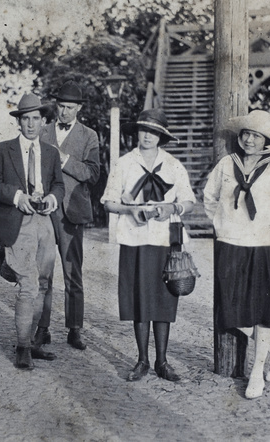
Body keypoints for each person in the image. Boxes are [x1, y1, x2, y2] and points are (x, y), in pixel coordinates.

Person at [203, 110, 270, 399]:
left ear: (266, 141)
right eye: (246, 134)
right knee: (229, 309)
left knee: (263, 310)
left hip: (265, 245)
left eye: (256, 136)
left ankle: (256, 372)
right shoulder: (227, 163)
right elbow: (209, 197)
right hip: (231, 243)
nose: (250, 140)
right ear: (239, 137)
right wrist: (222, 227)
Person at [101, 108, 195, 382]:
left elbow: (188, 200)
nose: (147, 136)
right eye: (143, 130)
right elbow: (108, 202)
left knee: (164, 298)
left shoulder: (174, 165)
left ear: (161, 136)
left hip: (165, 239)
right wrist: (130, 210)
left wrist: (172, 207)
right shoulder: (124, 164)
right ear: (137, 133)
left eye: (153, 132)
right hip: (135, 238)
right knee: (139, 298)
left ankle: (162, 361)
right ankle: (141, 360)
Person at [0, 93, 65, 370]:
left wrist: (52, 199)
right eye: (25, 119)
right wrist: (18, 197)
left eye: (35, 119)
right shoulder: (1, 150)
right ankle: (22, 347)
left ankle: (34, 342)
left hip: (45, 222)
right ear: (18, 122)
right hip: (18, 221)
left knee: (43, 283)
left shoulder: (51, 153)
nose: (30, 124)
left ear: (43, 121)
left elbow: (59, 185)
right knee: (28, 285)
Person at [34, 81, 100, 351]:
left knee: (73, 273)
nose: (63, 112)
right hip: (46, 212)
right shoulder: (42, 131)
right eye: (60, 106)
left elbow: (93, 174)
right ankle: (42, 328)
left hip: (72, 212)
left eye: (69, 108)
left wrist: (63, 160)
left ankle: (75, 329)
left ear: (79, 109)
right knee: (43, 274)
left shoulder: (89, 136)